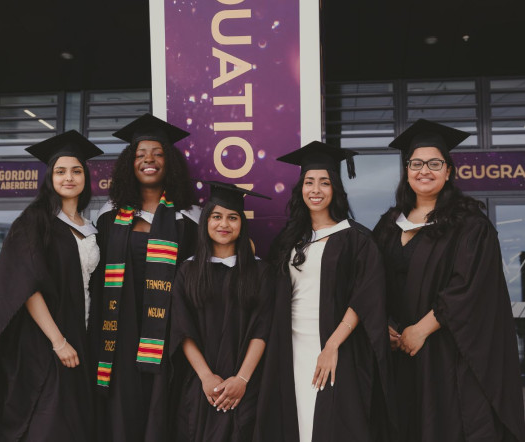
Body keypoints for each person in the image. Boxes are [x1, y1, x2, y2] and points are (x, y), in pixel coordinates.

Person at [373, 119, 525, 442]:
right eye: (416, 163)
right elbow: (372, 281)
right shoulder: (387, 226)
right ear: (407, 169)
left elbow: (469, 286)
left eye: (434, 163)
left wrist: (421, 330)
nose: (423, 170)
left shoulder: (469, 225)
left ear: (448, 172)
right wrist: (383, 325)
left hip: (445, 354)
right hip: (398, 352)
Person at [255, 142, 396, 442]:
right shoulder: (289, 240)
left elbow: (366, 295)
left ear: (336, 190)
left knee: (335, 424)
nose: (315, 190)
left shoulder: (357, 239)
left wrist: (332, 346)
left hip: (336, 346)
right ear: (300, 189)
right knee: (297, 422)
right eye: (309, 182)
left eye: (324, 182)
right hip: (289, 345)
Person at [0, 131, 104, 441]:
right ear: (50, 177)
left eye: (76, 170)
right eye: (60, 171)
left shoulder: (91, 227)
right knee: (50, 422)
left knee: (77, 422)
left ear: (85, 176)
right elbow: (26, 286)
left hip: (83, 335)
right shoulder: (35, 222)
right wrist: (58, 341)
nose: (68, 178)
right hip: (45, 340)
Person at [90, 113, 200, 442]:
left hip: (169, 331)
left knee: (164, 404)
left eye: (157, 153)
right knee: (123, 407)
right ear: (129, 164)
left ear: (171, 163)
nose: (148, 160)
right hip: (119, 330)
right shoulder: (110, 217)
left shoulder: (189, 219)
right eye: (140, 154)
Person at [169, 181, 274, 442]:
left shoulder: (260, 272)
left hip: (247, 385)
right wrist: (206, 377)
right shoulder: (187, 271)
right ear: (205, 221)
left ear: (242, 224)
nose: (224, 224)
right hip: (202, 386)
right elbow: (183, 330)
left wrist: (241, 379)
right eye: (216, 217)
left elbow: (262, 328)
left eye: (232, 217)